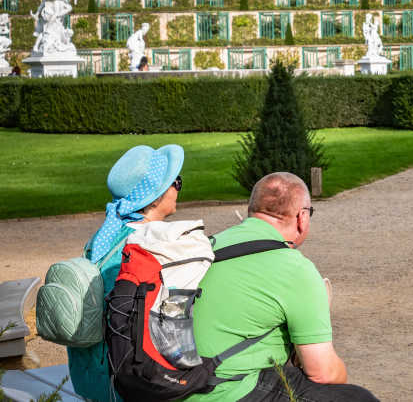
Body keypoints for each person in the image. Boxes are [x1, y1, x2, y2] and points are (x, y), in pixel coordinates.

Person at [183, 172, 378, 402]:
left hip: (174, 385)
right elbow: (324, 373)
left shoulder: (206, 246)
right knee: (358, 398)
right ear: (301, 218)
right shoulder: (296, 269)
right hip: (225, 391)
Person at [68, 144, 185, 402]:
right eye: (175, 182)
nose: (178, 188)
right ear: (154, 197)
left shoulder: (105, 236)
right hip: (127, 381)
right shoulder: (149, 243)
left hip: (90, 375)